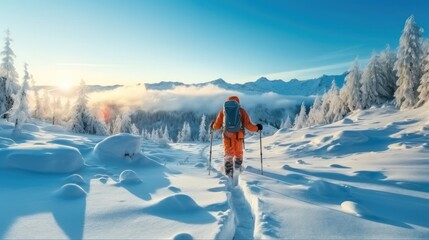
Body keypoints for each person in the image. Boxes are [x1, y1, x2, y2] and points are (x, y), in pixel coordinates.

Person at [211, 96, 263, 177]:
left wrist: (212, 126)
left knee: (228, 154)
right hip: (239, 136)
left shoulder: (223, 111)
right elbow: (248, 125)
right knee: (238, 154)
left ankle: (229, 175)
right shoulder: (241, 111)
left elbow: (217, 126)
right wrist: (257, 128)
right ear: (237, 102)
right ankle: (238, 172)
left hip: (227, 136)